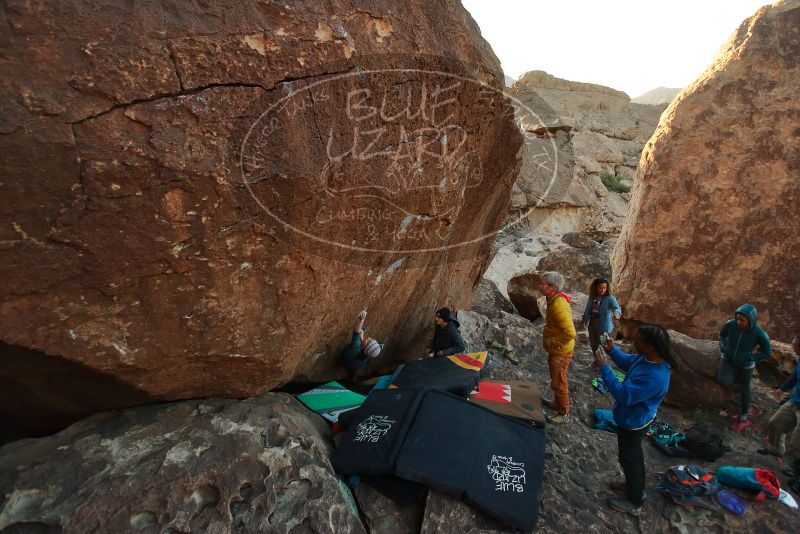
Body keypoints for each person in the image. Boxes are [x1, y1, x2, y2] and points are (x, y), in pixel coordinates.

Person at [593, 324, 677, 517]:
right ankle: (635, 487)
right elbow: (628, 362)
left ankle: (635, 501)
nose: (633, 342)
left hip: (633, 423)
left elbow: (624, 395)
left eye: (638, 340)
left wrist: (605, 368)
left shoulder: (654, 377)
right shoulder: (647, 359)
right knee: (634, 457)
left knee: (628, 459)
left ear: (651, 347)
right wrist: (612, 350)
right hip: (634, 418)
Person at [717, 303, 772, 431]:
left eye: (742, 320)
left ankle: (743, 415)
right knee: (723, 380)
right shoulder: (730, 325)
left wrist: (751, 357)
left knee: (745, 388)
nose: (738, 321)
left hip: (745, 364)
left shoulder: (759, 334)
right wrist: (723, 346)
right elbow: (721, 335)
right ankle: (729, 396)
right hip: (728, 358)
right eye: (737, 318)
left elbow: (766, 353)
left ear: (751, 320)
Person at [538, 271, 576, 424]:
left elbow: (570, 332)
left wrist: (551, 341)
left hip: (561, 351)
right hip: (558, 350)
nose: (540, 286)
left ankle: (563, 412)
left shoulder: (558, 305)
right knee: (556, 379)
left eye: (543, 284)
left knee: (559, 381)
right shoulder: (553, 298)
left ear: (552, 287)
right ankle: (557, 403)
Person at [758, 336, 800, 461]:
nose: (793, 350)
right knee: (775, 423)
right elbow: (795, 377)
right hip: (795, 402)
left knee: (796, 443)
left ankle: (797, 472)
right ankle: (775, 449)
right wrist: (782, 389)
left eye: (796, 347)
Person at [580, 277, 622, 352]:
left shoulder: (610, 298)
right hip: (592, 324)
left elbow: (616, 308)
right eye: (600, 288)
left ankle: (601, 362)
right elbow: (588, 309)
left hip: (603, 325)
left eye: (604, 288)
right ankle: (596, 360)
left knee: (602, 345)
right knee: (593, 343)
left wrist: (617, 313)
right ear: (595, 287)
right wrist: (584, 319)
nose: (602, 290)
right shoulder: (592, 297)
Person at [339, 310, 382, 381]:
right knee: (353, 365)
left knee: (354, 346)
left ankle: (343, 364)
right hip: (353, 366)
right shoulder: (366, 356)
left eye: (369, 341)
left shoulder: (355, 348)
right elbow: (367, 348)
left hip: (344, 359)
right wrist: (362, 337)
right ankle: (352, 374)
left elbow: (356, 332)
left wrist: (362, 318)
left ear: (365, 348)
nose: (369, 338)